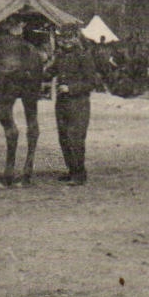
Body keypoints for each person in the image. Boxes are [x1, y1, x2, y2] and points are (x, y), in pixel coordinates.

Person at [49, 27, 98, 185]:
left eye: (70, 38)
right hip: (62, 103)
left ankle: (79, 174)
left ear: (77, 38)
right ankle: (71, 170)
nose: (66, 41)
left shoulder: (84, 56)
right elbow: (49, 72)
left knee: (75, 138)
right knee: (63, 138)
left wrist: (71, 88)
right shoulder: (60, 56)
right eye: (63, 38)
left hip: (79, 103)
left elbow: (91, 83)